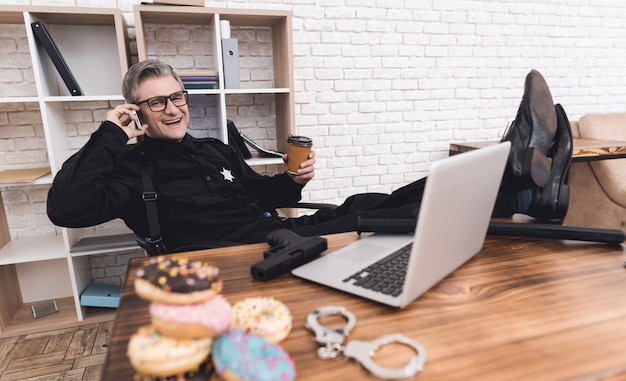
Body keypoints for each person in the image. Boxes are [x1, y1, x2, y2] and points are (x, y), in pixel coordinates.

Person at [47, 60, 572, 254]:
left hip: (277, 232)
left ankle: (518, 181)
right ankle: (519, 179)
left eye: (178, 96)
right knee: (376, 214)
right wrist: (109, 134)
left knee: (371, 199)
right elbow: (67, 210)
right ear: (136, 110)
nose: (173, 107)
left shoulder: (211, 148)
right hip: (234, 257)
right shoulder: (128, 168)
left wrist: (292, 180)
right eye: (156, 101)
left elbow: (258, 193)